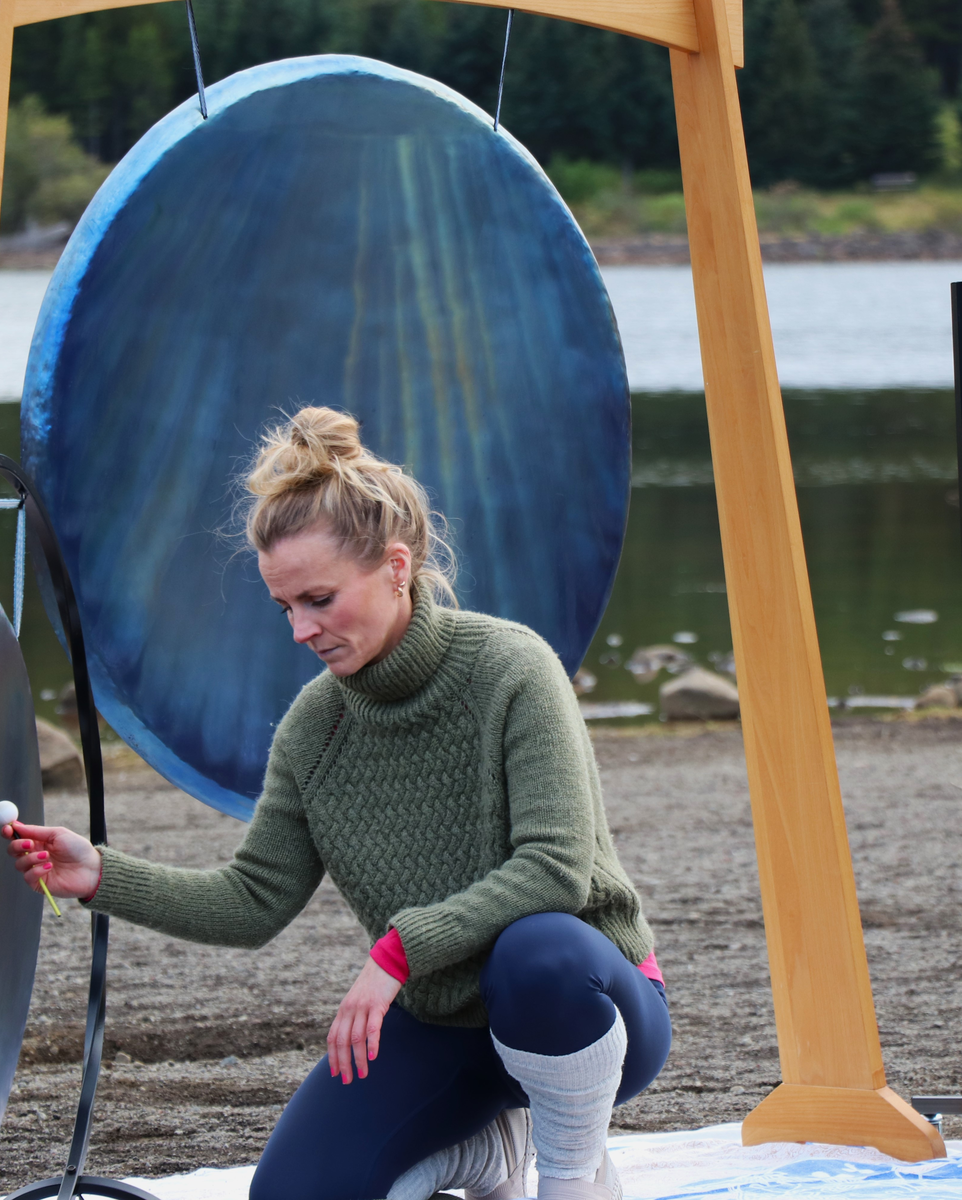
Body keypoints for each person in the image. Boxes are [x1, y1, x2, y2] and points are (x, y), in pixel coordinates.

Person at [4, 407, 670, 1200]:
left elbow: (555, 871)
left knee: (537, 951)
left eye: (318, 600)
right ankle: (490, 1151)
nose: (300, 630)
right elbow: (253, 900)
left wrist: (398, 951)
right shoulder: (313, 730)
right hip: (445, 1026)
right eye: (285, 607)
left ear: (396, 567)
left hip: (588, 1005)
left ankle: (571, 1174)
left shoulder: (513, 670)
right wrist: (100, 875)